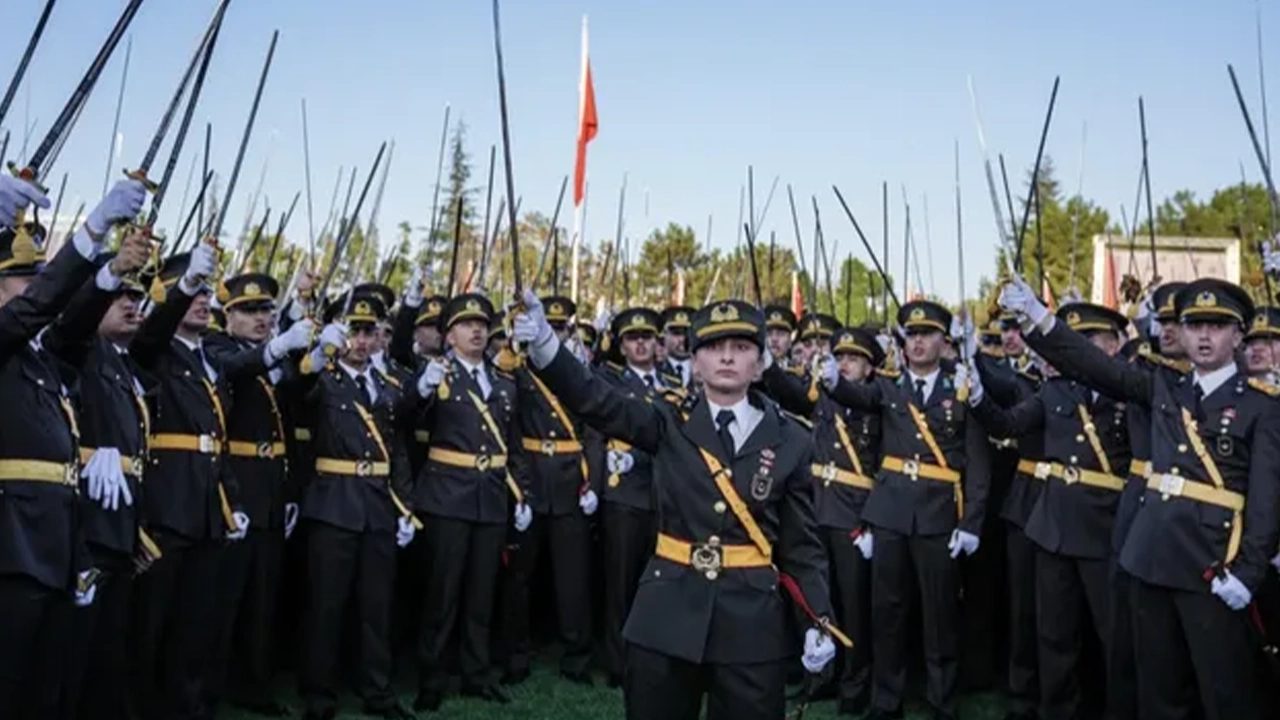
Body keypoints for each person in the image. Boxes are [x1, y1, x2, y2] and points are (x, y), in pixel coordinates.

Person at [513, 294, 841, 720]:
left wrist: (820, 619)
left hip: (751, 621)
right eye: (713, 347)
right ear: (695, 362)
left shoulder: (792, 440)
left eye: (741, 347)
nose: (726, 357)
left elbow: (802, 547)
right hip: (666, 612)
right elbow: (597, 400)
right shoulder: (667, 420)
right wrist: (544, 346)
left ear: (760, 365)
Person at [1001, 274, 1280, 720]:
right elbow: (1093, 365)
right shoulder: (1164, 387)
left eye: (1217, 325)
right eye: (1193, 325)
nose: (1204, 336)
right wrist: (1038, 316)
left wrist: (1247, 573)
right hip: (1151, 558)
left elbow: (1266, 501)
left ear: (1238, 334)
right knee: (1159, 690)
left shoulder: (1262, 405)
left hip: (1213, 564)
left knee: (1223, 689)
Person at [0, 176, 147, 720]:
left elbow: (73, 322)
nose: (41, 288)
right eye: (27, 281)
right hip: (12, 546)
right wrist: (89, 232)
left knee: (46, 689)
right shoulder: (7, 339)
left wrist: (109, 269)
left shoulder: (41, 356)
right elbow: (34, 312)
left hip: (56, 544)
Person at [821, 299, 991, 720]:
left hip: (938, 515)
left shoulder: (963, 387)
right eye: (911, 335)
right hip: (891, 513)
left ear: (943, 340)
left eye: (926, 334)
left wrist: (971, 523)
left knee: (940, 616)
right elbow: (855, 394)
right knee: (887, 613)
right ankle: (886, 699)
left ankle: (942, 700)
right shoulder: (888, 386)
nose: (917, 342)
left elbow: (978, 465)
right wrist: (831, 381)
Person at [970, 302, 1133, 720]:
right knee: (1053, 633)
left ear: (1114, 346)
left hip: (1108, 527)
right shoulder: (1056, 391)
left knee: (1114, 635)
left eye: (1088, 342)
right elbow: (1008, 424)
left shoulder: (1131, 391)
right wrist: (976, 398)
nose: (1074, 352)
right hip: (1053, 526)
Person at [128, 241, 250, 720]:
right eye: (193, 292)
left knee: (196, 624)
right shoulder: (155, 348)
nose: (203, 300)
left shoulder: (209, 360)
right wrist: (182, 287)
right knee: (152, 624)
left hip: (206, 505)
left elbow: (216, 437)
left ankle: (188, 707)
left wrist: (230, 498)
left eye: (205, 293)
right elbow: (152, 331)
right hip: (167, 503)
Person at [36, 231, 154, 720]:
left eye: (138, 296)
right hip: (81, 520)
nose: (132, 305)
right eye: (121, 296)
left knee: (106, 647)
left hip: (119, 519)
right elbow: (72, 325)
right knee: (70, 654)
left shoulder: (123, 364)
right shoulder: (78, 347)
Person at [295, 290, 419, 720]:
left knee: (375, 605)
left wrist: (405, 506)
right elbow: (299, 389)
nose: (362, 341)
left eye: (369, 332)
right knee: (326, 605)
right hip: (334, 504)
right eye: (354, 331)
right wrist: (316, 349)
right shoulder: (323, 378)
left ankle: (377, 691)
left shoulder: (388, 386)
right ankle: (319, 693)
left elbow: (397, 449)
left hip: (378, 506)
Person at [412, 292, 532, 712]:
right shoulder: (437, 376)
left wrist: (522, 493)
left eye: (482, 324)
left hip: (491, 498)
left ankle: (476, 673)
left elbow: (513, 444)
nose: (477, 330)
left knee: (482, 594)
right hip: (447, 496)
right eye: (466, 324)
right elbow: (405, 418)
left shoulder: (502, 381)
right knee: (442, 595)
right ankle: (433, 676)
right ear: (449, 335)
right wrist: (422, 388)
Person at [763, 325, 885, 716]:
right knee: (820, 601)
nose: (845, 364)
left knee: (854, 605)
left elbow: (887, 466)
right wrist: (767, 365)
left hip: (854, 513)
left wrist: (872, 521)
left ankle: (856, 683)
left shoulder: (879, 402)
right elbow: (791, 395)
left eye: (854, 359)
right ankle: (822, 676)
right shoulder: (823, 396)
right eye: (842, 357)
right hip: (818, 507)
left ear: (869, 368)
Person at [204, 273, 311, 716]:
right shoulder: (218, 349)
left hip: (269, 487)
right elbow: (237, 369)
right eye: (249, 311)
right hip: (235, 487)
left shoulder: (270, 358)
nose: (261, 318)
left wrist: (311, 355)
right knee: (223, 598)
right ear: (227, 316)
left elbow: (292, 411)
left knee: (262, 599)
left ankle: (254, 684)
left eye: (267, 310)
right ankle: (209, 687)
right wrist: (279, 347)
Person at [500, 294, 598, 686]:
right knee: (519, 577)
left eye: (560, 328)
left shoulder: (576, 372)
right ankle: (516, 655)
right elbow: (508, 428)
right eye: (548, 326)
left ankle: (577, 656)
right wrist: (519, 488)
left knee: (573, 577)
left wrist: (592, 481)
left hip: (572, 481)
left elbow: (594, 426)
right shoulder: (518, 370)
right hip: (532, 478)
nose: (553, 333)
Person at [595, 307, 669, 688]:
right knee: (621, 582)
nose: (641, 344)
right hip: (625, 491)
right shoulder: (611, 381)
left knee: (658, 584)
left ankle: (652, 657)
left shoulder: (673, 381)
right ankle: (618, 661)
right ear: (621, 345)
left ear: (658, 343)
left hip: (664, 494)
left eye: (647, 337)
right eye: (632, 338)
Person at [658, 305, 694, 388]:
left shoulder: (704, 370)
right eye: (676, 333)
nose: (682, 339)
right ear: (665, 336)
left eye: (687, 333)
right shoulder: (653, 371)